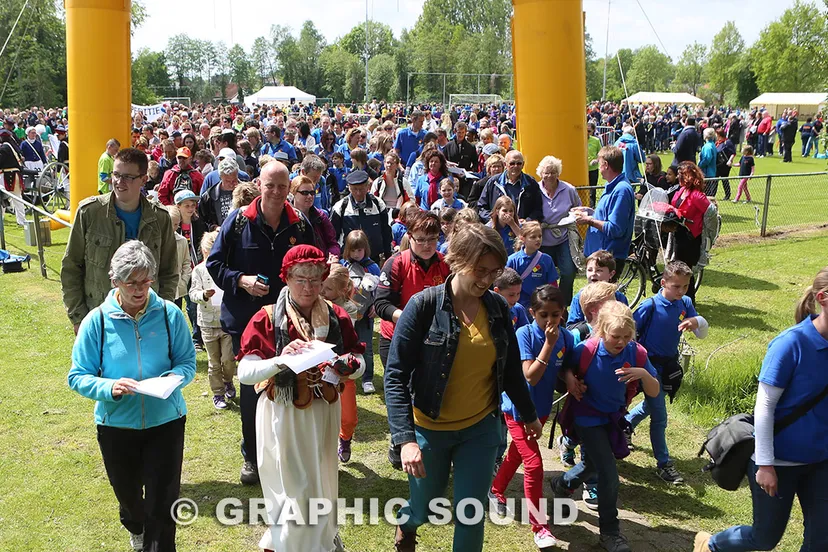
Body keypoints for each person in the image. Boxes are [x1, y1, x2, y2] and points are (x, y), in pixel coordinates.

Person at [384, 222, 541, 552]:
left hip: (481, 429)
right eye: (479, 270)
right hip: (430, 427)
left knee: (471, 513)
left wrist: (528, 414)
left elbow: (511, 368)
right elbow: (395, 376)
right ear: (456, 260)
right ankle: (407, 522)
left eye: (494, 272)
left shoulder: (498, 307)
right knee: (426, 504)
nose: (486, 280)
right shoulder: (422, 307)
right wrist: (406, 441)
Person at [67, 240, 196, 552]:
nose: (140, 289)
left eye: (146, 280)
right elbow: (78, 375)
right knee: (129, 499)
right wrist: (108, 388)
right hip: (116, 426)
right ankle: (135, 527)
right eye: (132, 282)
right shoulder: (96, 321)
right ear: (115, 282)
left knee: (163, 503)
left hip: (166, 421)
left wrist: (172, 379)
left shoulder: (169, 315)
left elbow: (187, 364)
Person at [236, 245, 364, 552]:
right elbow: (245, 372)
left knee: (322, 482)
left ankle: (321, 539)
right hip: (284, 413)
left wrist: (342, 365)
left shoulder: (336, 315)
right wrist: (281, 360)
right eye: (300, 279)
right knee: (294, 488)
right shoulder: (267, 318)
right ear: (287, 279)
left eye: (315, 280)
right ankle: (291, 544)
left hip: (323, 410)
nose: (308, 287)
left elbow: (358, 361)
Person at [694, 267, 828, 552]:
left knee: (822, 539)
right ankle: (712, 546)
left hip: (821, 462)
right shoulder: (790, 344)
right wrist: (765, 464)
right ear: (822, 298)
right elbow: (765, 408)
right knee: (764, 538)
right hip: (778, 462)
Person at [206, 160, 315, 486]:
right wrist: (242, 281)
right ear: (259, 185)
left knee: (291, 385)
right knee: (254, 388)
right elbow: (214, 263)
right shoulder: (238, 222)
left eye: (283, 186)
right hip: (247, 320)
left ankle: (288, 454)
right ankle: (252, 457)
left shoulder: (299, 225)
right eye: (271, 186)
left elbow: (313, 264)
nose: (277, 192)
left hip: (290, 320)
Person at [550, 301, 660, 552]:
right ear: (601, 330)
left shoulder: (637, 353)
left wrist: (643, 374)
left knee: (594, 463)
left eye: (625, 336)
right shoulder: (586, 350)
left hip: (613, 418)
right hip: (586, 416)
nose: (620, 342)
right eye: (614, 337)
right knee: (609, 474)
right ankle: (610, 533)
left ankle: (564, 483)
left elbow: (654, 391)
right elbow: (564, 367)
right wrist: (569, 379)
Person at [490, 285, 573, 550]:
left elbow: (568, 366)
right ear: (532, 313)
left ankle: (495, 489)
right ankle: (540, 526)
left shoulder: (567, 337)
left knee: (516, 454)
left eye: (556, 315)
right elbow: (530, 375)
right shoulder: (524, 334)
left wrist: (570, 378)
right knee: (534, 464)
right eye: (544, 315)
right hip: (517, 410)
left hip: (542, 408)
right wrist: (548, 345)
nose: (550, 321)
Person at [61, 148, 178, 335]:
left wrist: (160, 313)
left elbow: (169, 271)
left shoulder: (160, 218)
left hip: (147, 320)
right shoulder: (89, 212)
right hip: (99, 319)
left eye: (128, 177)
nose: (118, 182)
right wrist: (79, 317)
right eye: (116, 174)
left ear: (143, 179)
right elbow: (71, 267)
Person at [375, 209, 451, 470]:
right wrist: (408, 318)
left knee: (424, 391)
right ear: (409, 237)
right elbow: (381, 304)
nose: (427, 245)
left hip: (433, 342)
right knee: (400, 391)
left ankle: (423, 442)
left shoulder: (446, 265)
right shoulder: (396, 263)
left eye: (433, 239)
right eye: (421, 239)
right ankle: (399, 442)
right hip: (396, 338)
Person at [627, 261, 709, 485]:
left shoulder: (685, 304)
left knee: (655, 405)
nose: (681, 291)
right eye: (676, 286)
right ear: (663, 283)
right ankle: (664, 464)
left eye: (685, 286)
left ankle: (626, 425)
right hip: (645, 365)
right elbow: (630, 334)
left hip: (668, 365)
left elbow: (702, 333)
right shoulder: (649, 306)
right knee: (658, 415)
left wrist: (696, 321)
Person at [190, 230, 236, 410]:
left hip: (226, 321)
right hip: (207, 323)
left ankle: (228, 381)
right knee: (214, 362)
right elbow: (193, 293)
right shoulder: (199, 270)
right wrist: (203, 295)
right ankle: (218, 393)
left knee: (228, 359)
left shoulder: (228, 267)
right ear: (204, 252)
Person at [574, 146, 635, 277]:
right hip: (600, 257)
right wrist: (589, 211)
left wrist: (589, 220)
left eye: (599, 163)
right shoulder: (613, 186)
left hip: (607, 258)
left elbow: (615, 228)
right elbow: (607, 215)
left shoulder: (621, 190)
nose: (598, 168)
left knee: (602, 296)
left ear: (606, 165)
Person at [535, 155, 581, 304]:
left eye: (553, 172)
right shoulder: (534, 189)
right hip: (541, 238)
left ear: (558, 173)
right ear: (540, 173)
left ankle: (564, 303)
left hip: (563, 237)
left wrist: (574, 216)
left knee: (568, 272)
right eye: (546, 172)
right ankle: (544, 302)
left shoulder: (568, 189)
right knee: (543, 274)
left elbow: (577, 208)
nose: (549, 175)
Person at [340, 229, 380, 395]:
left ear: (366, 249)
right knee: (344, 345)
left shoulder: (372, 267)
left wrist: (375, 306)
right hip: (346, 314)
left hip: (364, 316)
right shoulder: (343, 265)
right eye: (353, 250)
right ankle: (343, 373)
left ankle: (367, 379)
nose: (356, 254)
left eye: (360, 250)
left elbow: (380, 289)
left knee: (366, 347)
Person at [330, 169, 393, 265]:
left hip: (373, 259)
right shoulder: (340, 207)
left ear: (367, 187)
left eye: (361, 189)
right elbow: (333, 237)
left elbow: (386, 232)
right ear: (349, 188)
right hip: (349, 260)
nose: (358, 193)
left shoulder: (378, 204)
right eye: (355, 189)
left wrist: (388, 257)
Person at [670, 162, 711, 304]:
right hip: (679, 234)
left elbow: (711, 213)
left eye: (682, 175)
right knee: (678, 269)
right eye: (679, 174)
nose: (679, 177)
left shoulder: (697, 196)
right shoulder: (681, 190)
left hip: (690, 238)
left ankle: (689, 302)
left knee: (685, 272)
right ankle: (680, 299)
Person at [477, 150, 543, 224]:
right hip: (499, 229)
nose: (515, 166)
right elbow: (482, 207)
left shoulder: (531, 183)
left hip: (522, 229)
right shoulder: (493, 182)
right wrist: (494, 220)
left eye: (519, 163)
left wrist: (527, 220)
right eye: (512, 163)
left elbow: (538, 208)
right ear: (505, 164)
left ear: (523, 164)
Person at [567, 251, 629, 327]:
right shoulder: (579, 297)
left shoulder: (619, 298)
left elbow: (627, 324)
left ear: (611, 274)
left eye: (599, 270)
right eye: (590, 270)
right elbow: (571, 327)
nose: (593, 273)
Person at [506, 221, 559, 310]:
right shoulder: (512, 260)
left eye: (540, 236)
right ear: (523, 238)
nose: (538, 239)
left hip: (540, 305)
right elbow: (505, 284)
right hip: (517, 305)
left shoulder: (546, 260)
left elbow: (553, 285)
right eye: (533, 237)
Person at [198, 156, 241, 231]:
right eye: (227, 181)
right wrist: (214, 228)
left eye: (234, 180)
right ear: (220, 177)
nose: (231, 184)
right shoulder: (209, 196)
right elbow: (203, 221)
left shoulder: (246, 191)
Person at [371, 150, 414, 215]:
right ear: (384, 163)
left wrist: (403, 211)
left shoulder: (403, 182)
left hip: (399, 215)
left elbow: (411, 200)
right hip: (382, 214)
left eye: (392, 163)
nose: (389, 165)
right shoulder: (378, 182)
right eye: (387, 162)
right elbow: (373, 199)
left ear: (397, 165)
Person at [0, 129, 27, 227]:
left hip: (8, 175)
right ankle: (21, 220)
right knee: (17, 198)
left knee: (6, 198)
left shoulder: (4, 148)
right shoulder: (12, 147)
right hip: (14, 174)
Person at [714, 129, 737, 200]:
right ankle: (713, 194)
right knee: (715, 180)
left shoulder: (728, 142)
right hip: (718, 164)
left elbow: (733, 153)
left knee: (724, 180)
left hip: (725, 165)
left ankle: (727, 195)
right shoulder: (717, 142)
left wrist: (730, 161)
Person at [587, 122, 602, 207]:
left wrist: (596, 160)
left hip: (593, 170)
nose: (586, 133)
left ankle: (591, 208)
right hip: (581, 170)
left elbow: (601, 154)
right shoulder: (579, 139)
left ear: (593, 131)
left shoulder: (596, 141)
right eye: (585, 131)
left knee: (592, 191)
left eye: (589, 131)